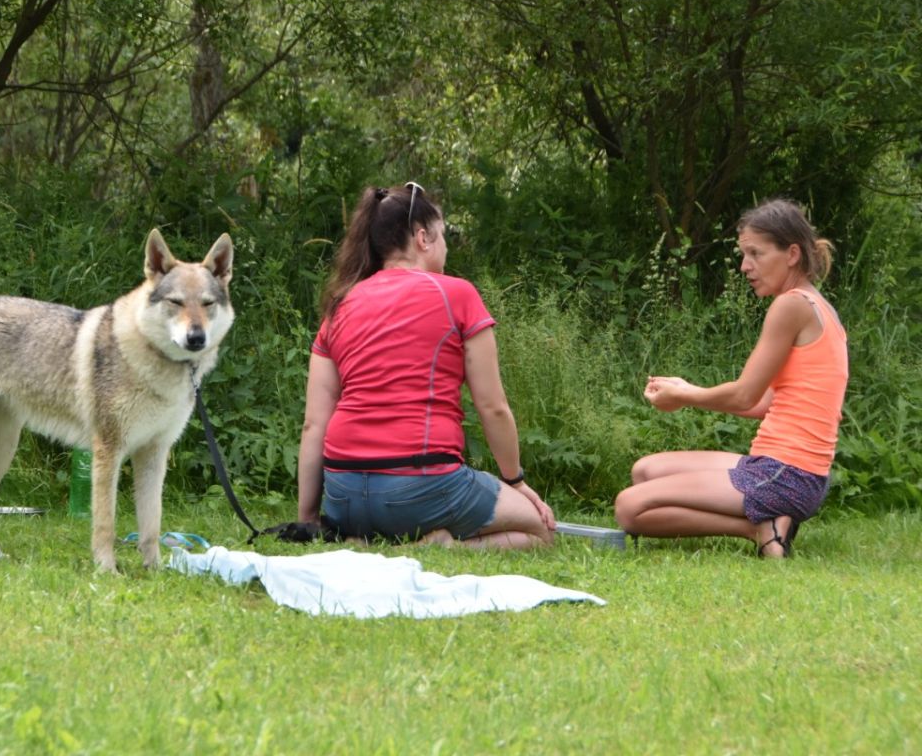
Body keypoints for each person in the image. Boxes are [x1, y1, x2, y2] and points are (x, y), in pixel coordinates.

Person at [296, 182, 556, 549]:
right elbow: (492, 407)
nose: (446, 246)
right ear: (423, 238)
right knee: (539, 532)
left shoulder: (340, 305)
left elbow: (314, 424)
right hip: (420, 486)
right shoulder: (457, 293)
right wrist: (515, 481)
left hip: (344, 498)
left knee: (377, 503)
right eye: (443, 235)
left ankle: (362, 538)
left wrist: (309, 519)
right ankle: (441, 545)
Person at [614, 199, 848, 558]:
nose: (745, 266)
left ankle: (759, 528)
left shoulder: (791, 306)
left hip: (786, 474)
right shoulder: (818, 307)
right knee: (645, 471)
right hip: (783, 468)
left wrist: (686, 395)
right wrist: (683, 390)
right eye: (743, 254)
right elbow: (765, 403)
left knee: (630, 508)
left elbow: (743, 395)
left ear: (791, 254)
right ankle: (771, 521)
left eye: (755, 253)